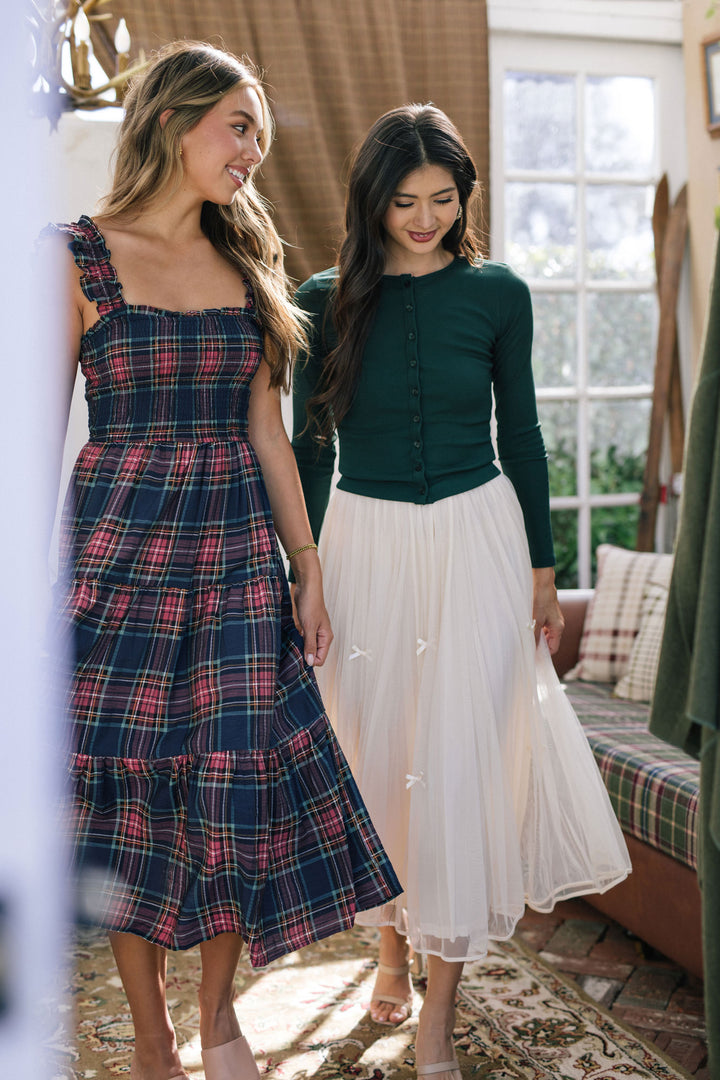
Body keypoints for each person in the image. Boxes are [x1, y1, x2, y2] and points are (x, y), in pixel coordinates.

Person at [42, 42, 401, 1080]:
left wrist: (307, 560)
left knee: (236, 790)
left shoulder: (250, 260)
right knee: (132, 797)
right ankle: (152, 1031)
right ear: (171, 120)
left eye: (259, 132)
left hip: (238, 555)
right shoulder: (72, 257)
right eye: (238, 126)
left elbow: (268, 429)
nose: (254, 149)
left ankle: (220, 1016)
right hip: (119, 559)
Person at [292, 104, 632, 1080]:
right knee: (380, 750)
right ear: (372, 201)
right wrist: (302, 572)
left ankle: (438, 1009)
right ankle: (389, 948)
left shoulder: (500, 295)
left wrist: (543, 568)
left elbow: (522, 438)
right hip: (365, 545)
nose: (425, 217)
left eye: (444, 199)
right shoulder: (323, 299)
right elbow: (312, 445)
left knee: (461, 760)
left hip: (478, 541)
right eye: (405, 201)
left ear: (465, 198)